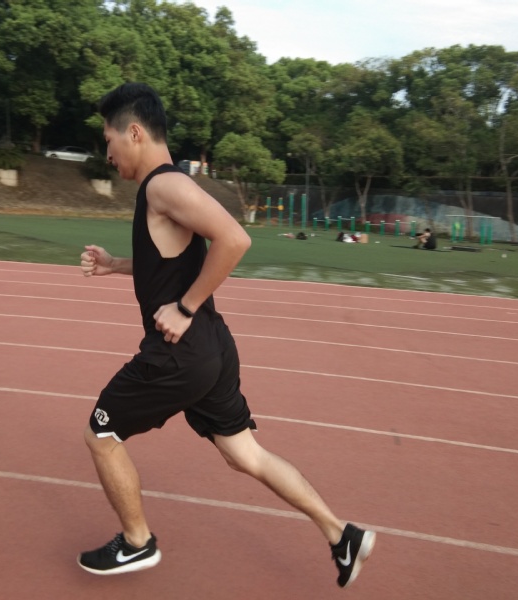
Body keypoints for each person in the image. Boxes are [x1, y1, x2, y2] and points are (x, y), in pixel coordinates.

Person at [77, 83, 375, 588]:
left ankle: (136, 542)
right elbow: (167, 262)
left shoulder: (163, 186)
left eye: (109, 140)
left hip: (180, 353)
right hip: (212, 348)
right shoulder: (164, 189)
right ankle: (340, 534)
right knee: (245, 454)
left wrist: (185, 308)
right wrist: (114, 265)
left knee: (100, 435)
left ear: (134, 132)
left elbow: (235, 239)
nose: (107, 153)